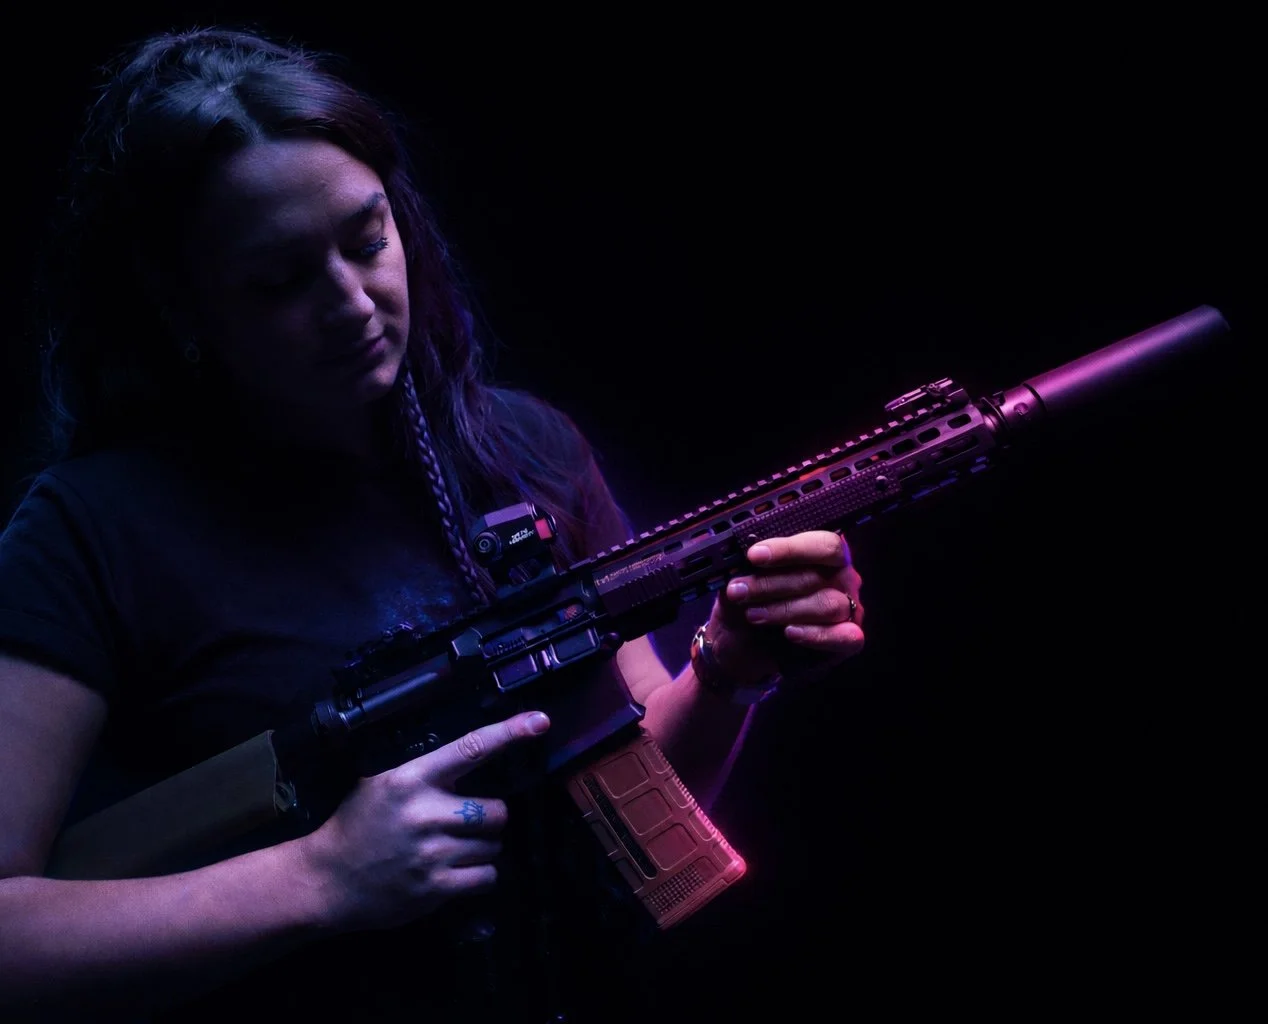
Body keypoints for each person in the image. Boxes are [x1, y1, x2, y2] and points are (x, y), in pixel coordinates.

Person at [0, 26, 865, 1023]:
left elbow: (629, 813)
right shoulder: (90, 533)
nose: (349, 301)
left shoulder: (523, 452)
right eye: (278, 280)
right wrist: (316, 877)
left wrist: (728, 669)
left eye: (366, 239)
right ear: (179, 301)